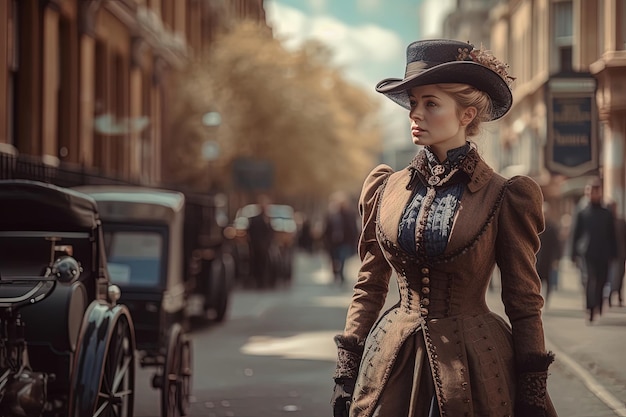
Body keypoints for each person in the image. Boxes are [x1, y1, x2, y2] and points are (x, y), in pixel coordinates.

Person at [330, 39, 557, 417]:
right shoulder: (385, 188)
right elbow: (370, 284)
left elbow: (523, 299)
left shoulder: (504, 195)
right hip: (392, 361)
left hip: (476, 366)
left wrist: (532, 386)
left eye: (430, 103)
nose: (415, 114)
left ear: (466, 115)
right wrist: (346, 368)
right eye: (413, 102)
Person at [570, 178, 617, 323]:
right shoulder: (582, 212)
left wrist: (615, 253)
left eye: (595, 191)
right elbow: (575, 234)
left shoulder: (606, 213)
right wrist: (573, 254)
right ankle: (590, 308)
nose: (592, 194)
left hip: (604, 253)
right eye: (589, 191)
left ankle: (597, 305)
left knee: (602, 281)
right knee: (590, 280)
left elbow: (612, 234)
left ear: (600, 192)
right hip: (587, 252)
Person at [323, 192, 359, 285]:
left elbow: (353, 228)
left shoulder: (349, 214)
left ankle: (341, 276)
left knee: (342, 258)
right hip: (332, 242)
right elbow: (326, 228)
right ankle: (336, 275)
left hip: (344, 241)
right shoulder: (331, 214)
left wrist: (353, 241)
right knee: (334, 260)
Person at [536, 202, 562, 307]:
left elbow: (557, 245)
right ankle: (538, 300)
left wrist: (556, 259)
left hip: (549, 259)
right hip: (537, 259)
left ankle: (547, 299)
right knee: (537, 282)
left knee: (548, 281)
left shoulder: (552, 228)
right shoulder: (535, 226)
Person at [247, 194, 275, 289]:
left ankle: (263, 281)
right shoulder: (255, 219)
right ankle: (257, 280)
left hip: (265, 247)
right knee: (256, 264)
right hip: (256, 246)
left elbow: (270, 232)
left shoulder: (268, 219)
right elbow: (250, 232)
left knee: (265, 264)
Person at [607, 201, 626, 307]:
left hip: (621, 254)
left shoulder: (621, 222)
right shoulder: (606, 222)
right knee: (611, 277)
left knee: (620, 276)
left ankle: (619, 296)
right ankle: (609, 296)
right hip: (610, 256)